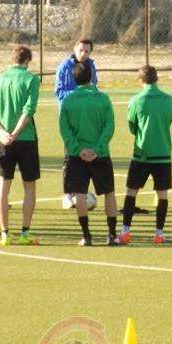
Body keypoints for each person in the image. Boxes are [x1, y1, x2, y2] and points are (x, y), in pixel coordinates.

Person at [0, 45, 41, 246]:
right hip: (25, 139)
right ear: (28, 60)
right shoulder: (31, 79)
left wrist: (2, 132)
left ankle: (5, 233)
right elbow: (29, 109)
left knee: (2, 186)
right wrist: (16, 133)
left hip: (3, 140)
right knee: (29, 187)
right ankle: (25, 232)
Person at [59, 63, 118, 246]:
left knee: (80, 195)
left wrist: (78, 150)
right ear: (91, 76)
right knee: (109, 193)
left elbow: (64, 130)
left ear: (74, 79)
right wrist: (97, 150)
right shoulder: (103, 99)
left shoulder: (68, 101)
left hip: (77, 156)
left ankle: (86, 236)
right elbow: (109, 126)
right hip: (100, 155)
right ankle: (111, 235)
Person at [119, 65, 172, 245]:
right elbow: (168, 120)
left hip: (142, 153)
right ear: (157, 78)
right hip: (163, 154)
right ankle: (159, 233)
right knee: (162, 194)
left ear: (140, 80)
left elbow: (132, 127)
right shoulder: (169, 99)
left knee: (131, 192)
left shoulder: (136, 100)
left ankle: (125, 231)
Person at [55, 38, 98, 211]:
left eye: (87, 51)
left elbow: (94, 88)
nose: (84, 54)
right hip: (69, 117)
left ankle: (81, 193)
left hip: (87, 118)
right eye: (81, 50)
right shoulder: (64, 67)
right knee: (70, 155)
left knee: (86, 155)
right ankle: (67, 194)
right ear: (75, 48)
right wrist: (78, 95)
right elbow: (59, 92)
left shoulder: (91, 66)